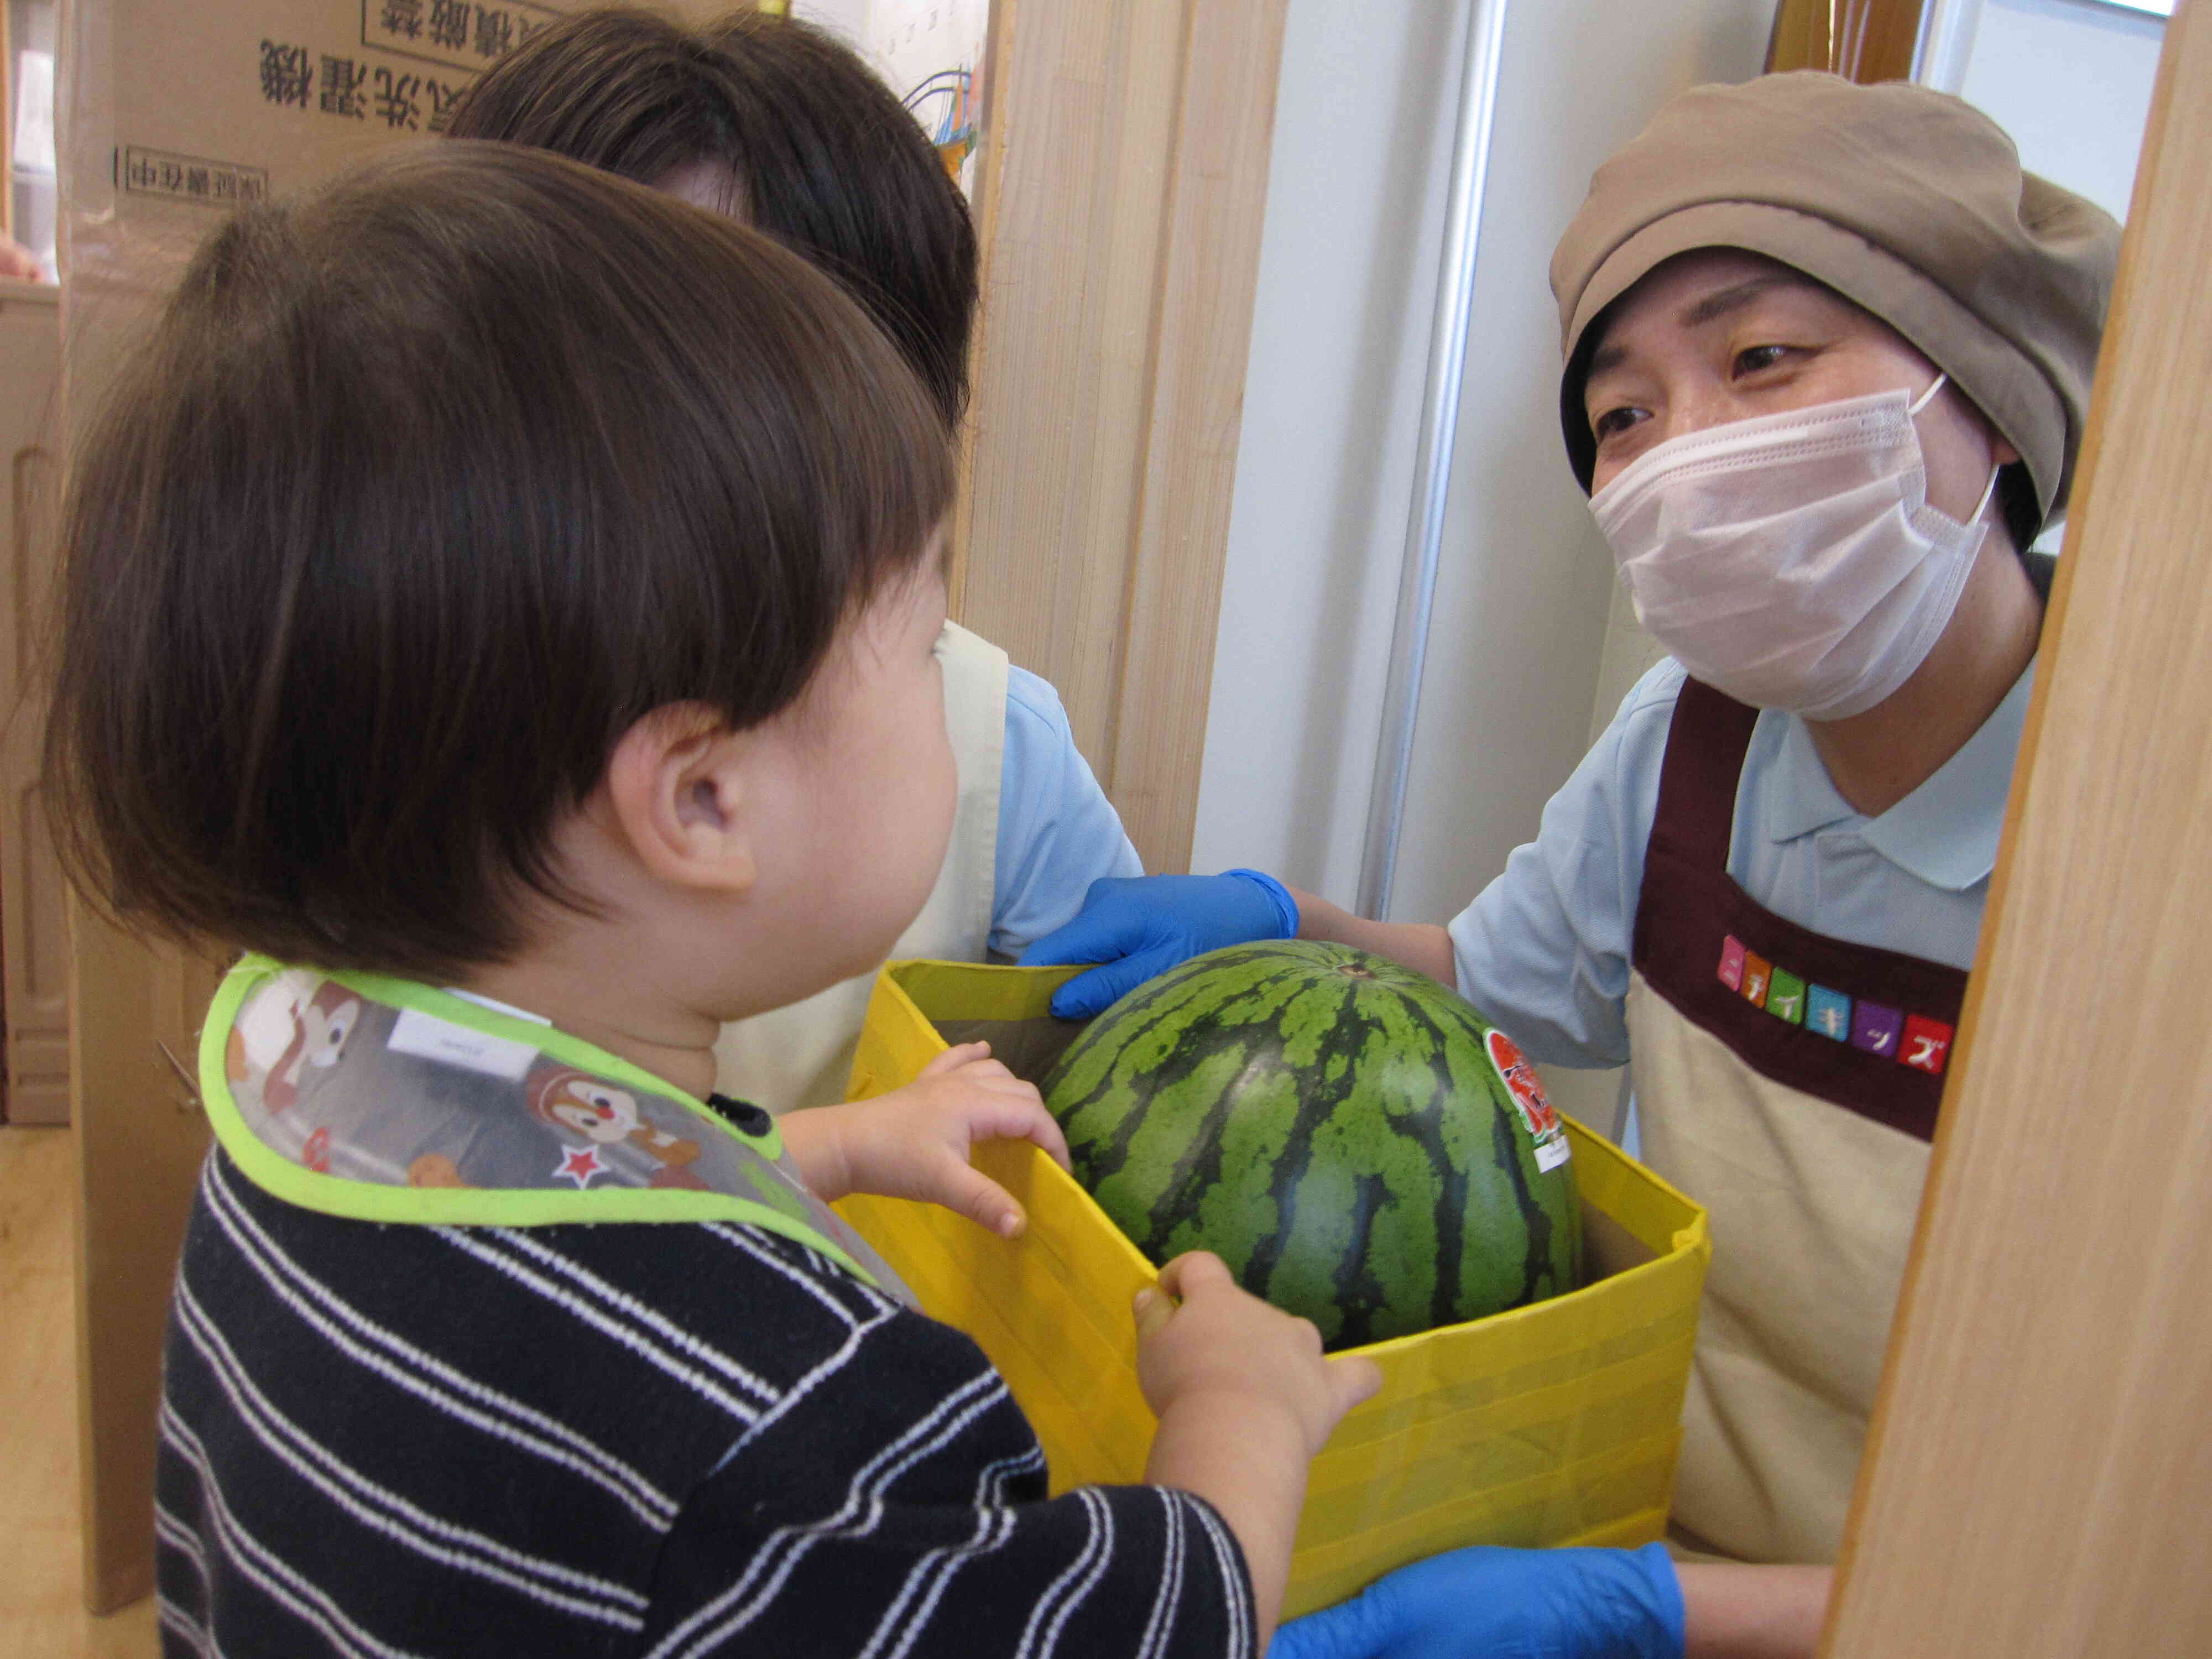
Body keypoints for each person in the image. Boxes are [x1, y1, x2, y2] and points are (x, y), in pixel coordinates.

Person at [46, 144, 1378, 1656]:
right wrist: (1240, 1420)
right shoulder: (808, 1431)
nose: (958, 680)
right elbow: (1138, 1634)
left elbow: (547, 1208)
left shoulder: (309, 1097)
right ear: (701, 799)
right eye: (928, 633)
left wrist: (841, 1144)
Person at [1023, 73, 2118, 1656]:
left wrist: (1660, 1615)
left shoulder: (2148, 848)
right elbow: (1495, 984)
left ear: (1992, 392)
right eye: (1626, 416)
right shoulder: (1697, 736)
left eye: (1761, 360)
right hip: (1653, 1515)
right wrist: (1293, 925)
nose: (1689, 457)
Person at [446, 7, 1142, 1115]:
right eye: (667, 381)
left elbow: (1132, 1068)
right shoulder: (403, 718)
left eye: (817, 388)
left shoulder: (994, 743)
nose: (741, 475)